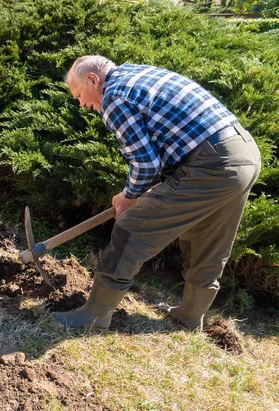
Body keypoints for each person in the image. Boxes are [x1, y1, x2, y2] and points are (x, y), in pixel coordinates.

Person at [52, 55, 261, 331]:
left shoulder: (114, 96)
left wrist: (128, 197)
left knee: (131, 229)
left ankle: (94, 315)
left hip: (211, 164)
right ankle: (189, 316)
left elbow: (146, 162)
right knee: (209, 241)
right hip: (243, 153)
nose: (81, 103)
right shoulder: (138, 75)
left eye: (79, 94)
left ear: (93, 80)